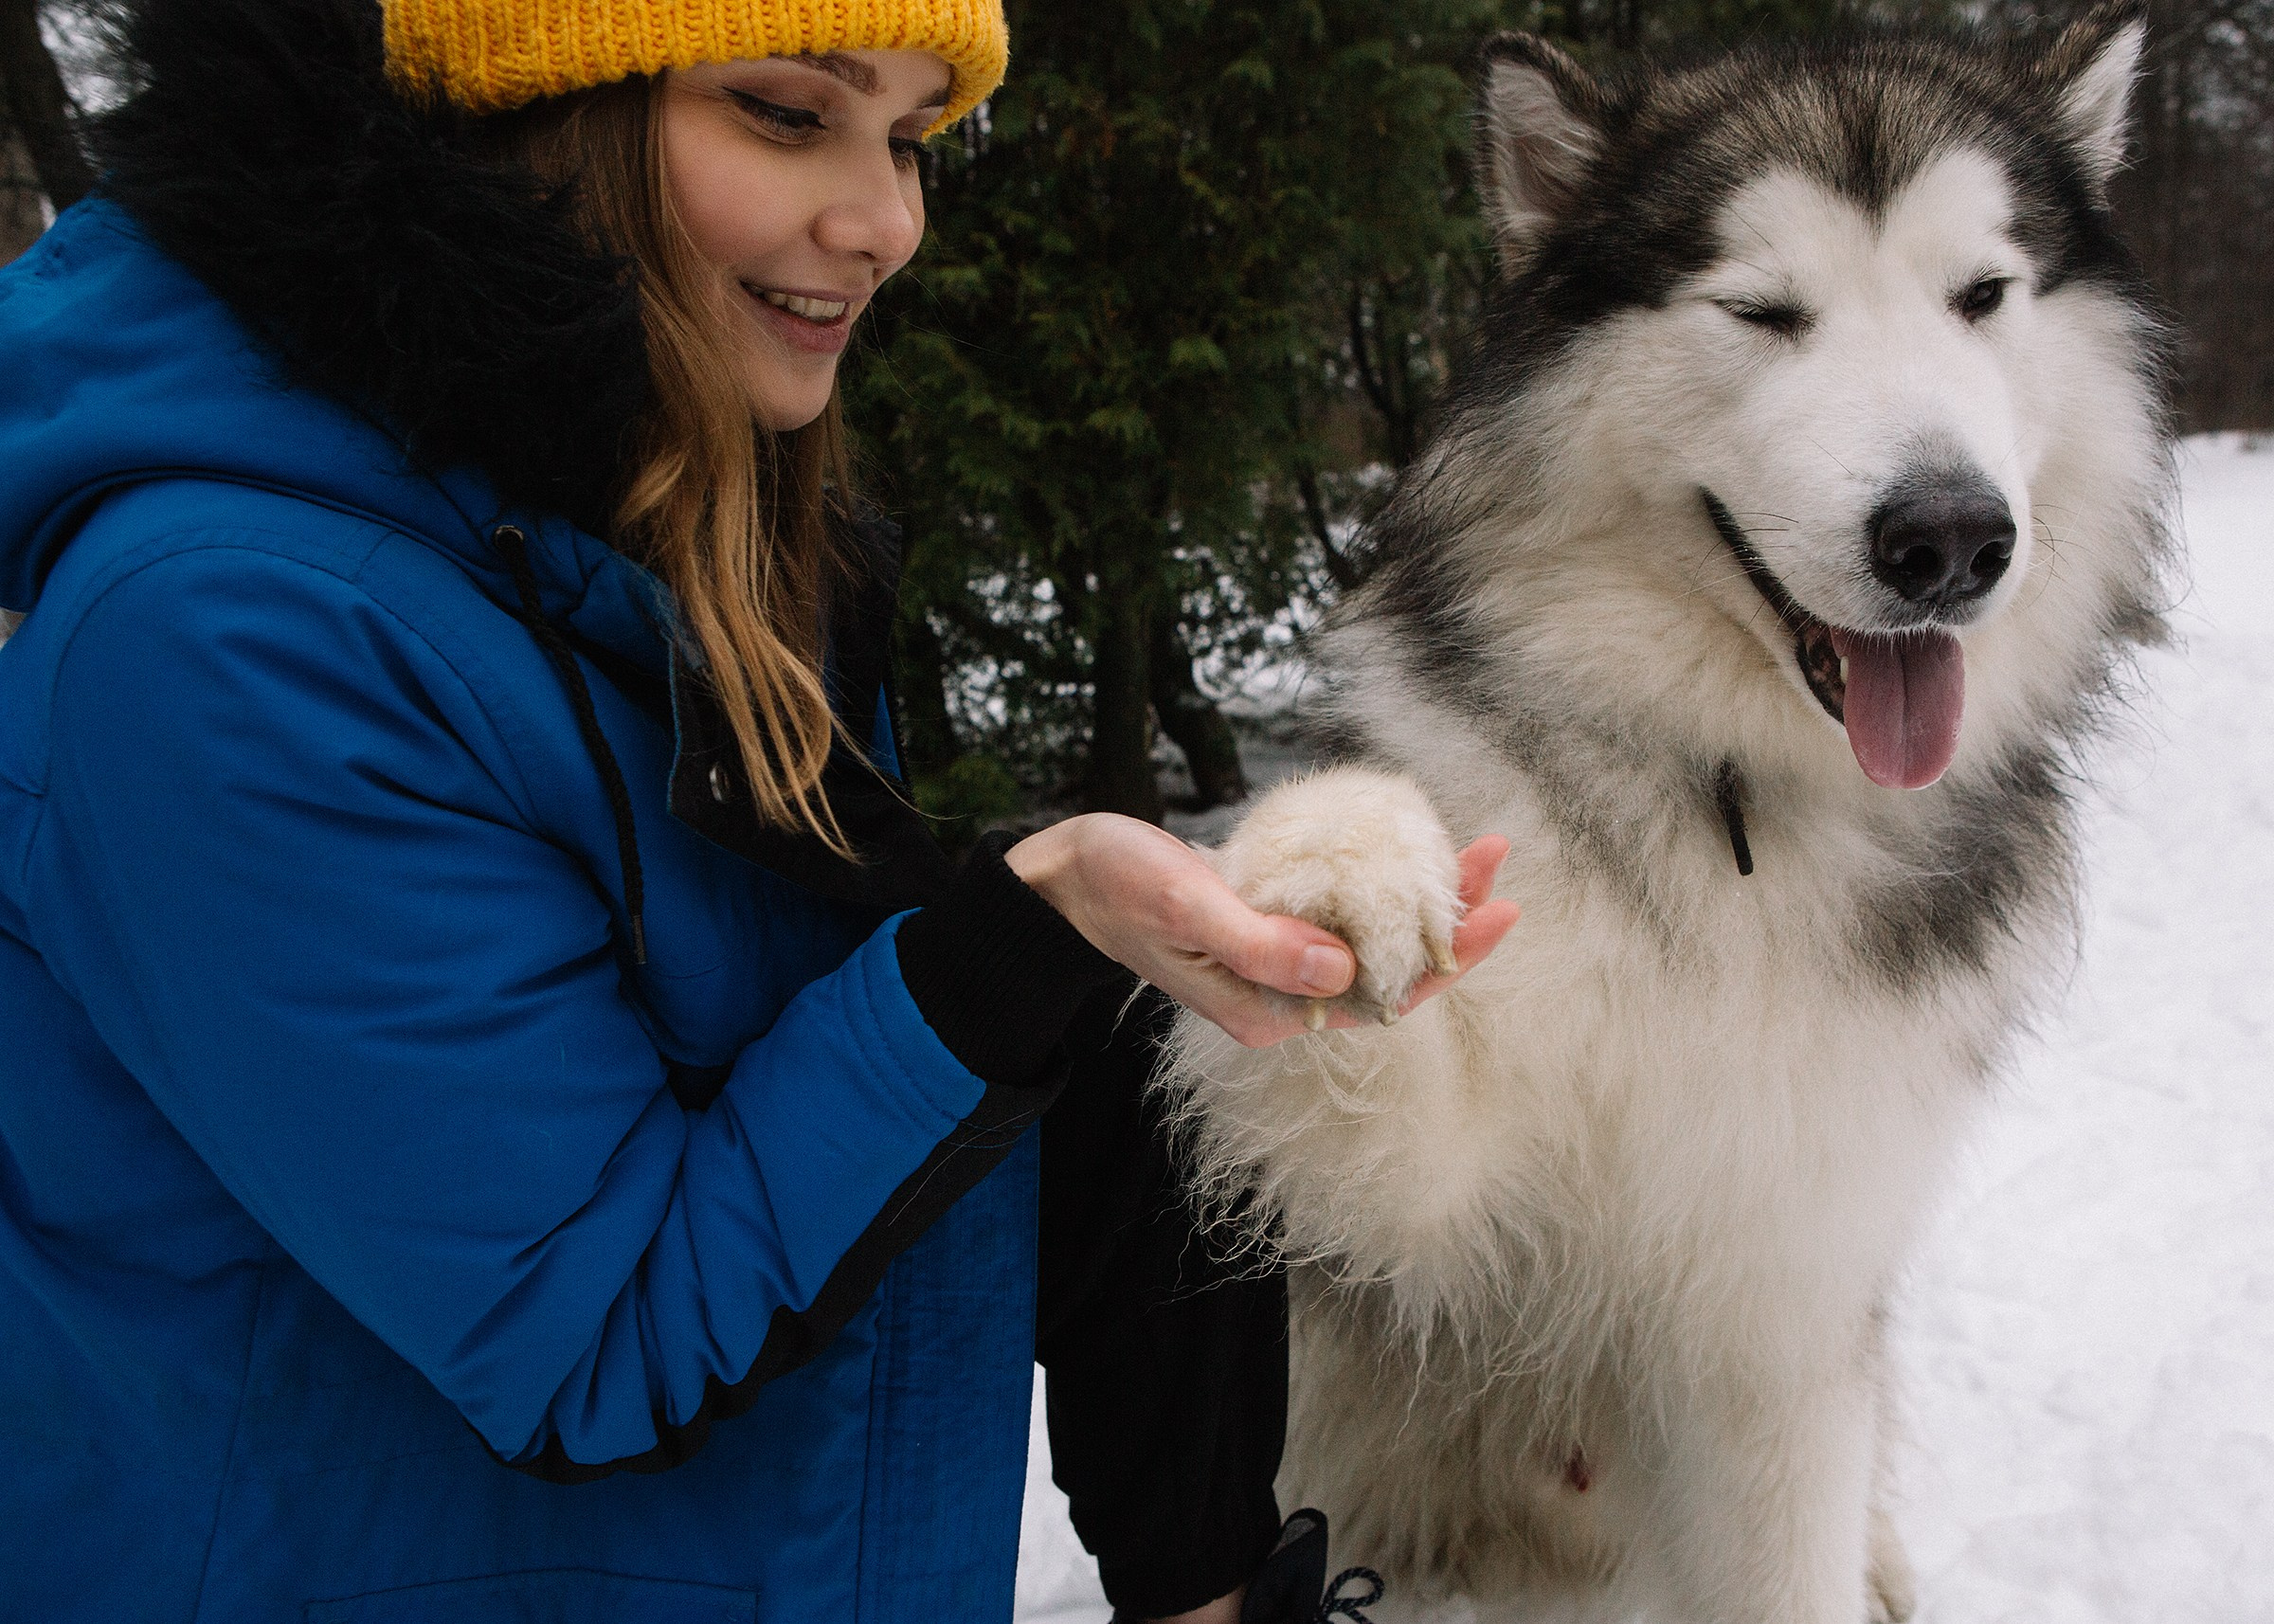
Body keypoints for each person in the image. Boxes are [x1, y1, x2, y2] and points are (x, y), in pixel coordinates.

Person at [0, 1, 1518, 1620]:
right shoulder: (229, 637)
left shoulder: (663, 522)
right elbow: (588, 1333)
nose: (886, 223)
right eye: (790, 113)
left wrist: (1199, 1543)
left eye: (914, 136)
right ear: (532, 110)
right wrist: (1012, 948)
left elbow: (807, 1099)